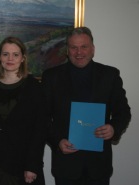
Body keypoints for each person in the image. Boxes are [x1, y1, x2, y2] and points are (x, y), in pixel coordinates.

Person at [41, 26, 131, 185]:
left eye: (84, 47)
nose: (79, 52)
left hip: (98, 166)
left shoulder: (110, 75)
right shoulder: (51, 77)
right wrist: (57, 141)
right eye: (73, 47)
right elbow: (42, 117)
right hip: (66, 165)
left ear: (93, 49)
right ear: (67, 50)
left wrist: (113, 128)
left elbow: (123, 112)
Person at [0, 37, 47, 185]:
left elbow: (40, 130)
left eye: (15, 54)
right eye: (5, 54)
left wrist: (32, 165)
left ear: (23, 58)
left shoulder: (34, 87)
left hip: (22, 163)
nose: (10, 58)